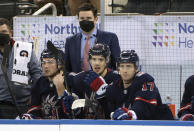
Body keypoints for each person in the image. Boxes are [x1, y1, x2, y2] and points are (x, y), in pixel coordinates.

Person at [84, 50, 174, 120]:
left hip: (161, 124)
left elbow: (143, 106)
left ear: (136, 68)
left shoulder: (145, 80)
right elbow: (110, 112)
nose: (125, 70)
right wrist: (102, 95)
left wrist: (131, 113)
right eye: (122, 66)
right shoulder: (114, 85)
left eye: (128, 66)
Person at [0, 18, 42, 119]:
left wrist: (34, 96)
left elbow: (37, 73)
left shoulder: (25, 49)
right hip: (2, 106)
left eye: (4, 32)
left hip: (25, 105)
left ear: (11, 33)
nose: (1, 35)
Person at [65, 3, 121, 73]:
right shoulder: (70, 41)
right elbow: (67, 68)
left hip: (104, 82)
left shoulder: (110, 38)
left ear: (96, 19)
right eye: (82, 18)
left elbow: (117, 65)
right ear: (78, 19)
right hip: (78, 82)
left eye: (88, 18)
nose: (85, 21)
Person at [68, 43, 119, 119]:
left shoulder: (116, 78)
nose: (97, 63)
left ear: (107, 60)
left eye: (101, 59)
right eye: (94, 59)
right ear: (90, 60)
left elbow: (116, 108)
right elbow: (76, 113)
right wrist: (74, 109)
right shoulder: (80, 78)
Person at [22, 49, 74, 119]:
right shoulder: (39, 83)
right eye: (43, 62)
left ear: (60, 64)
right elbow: (35, 110)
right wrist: (32, 117)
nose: (46, 66)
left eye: (50, 62)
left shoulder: (71, 80)